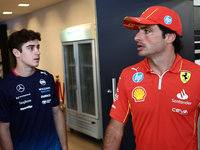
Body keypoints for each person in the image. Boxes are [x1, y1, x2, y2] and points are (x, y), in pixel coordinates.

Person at [103, 6, 200, 150]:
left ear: (169, 37)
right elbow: (115, 128)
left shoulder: (197, 74)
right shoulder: (128, 75)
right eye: (139, 30)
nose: (137, 37)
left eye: (147, 31)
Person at [0, 29, 68, 150]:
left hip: (52, 146)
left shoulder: (47, 78)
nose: (38, 52)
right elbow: (3, 127)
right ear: (16, 53)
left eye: (38, 47)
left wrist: (64, 146)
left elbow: (57, 113)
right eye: (31, 48)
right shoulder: (5, 86)